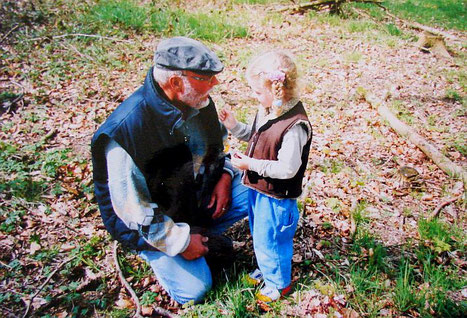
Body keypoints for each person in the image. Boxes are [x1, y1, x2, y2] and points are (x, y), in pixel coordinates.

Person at [91, 36, 248, 304]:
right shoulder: (126, 131)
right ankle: (167, 249)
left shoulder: (199, 102)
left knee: (257, 183)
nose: (215, 83)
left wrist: (225, 175)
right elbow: (134, 212)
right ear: (175, 83)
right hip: (156, 221)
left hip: (192, 201)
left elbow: (217, 148)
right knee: (195, 291)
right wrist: (182, 242)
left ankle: (204, 235)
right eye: (205, 77)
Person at [219, 50, 312, 303]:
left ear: (277, 89)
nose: (254, 96)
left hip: (277, 198)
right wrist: (234, 127)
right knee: (260, 234)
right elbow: (257, 137)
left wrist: (251, 164)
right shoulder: (268, 109)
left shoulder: (295, 126)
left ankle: (279, 283)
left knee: (274, 240)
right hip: (259, 190)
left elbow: (287, 169)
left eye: (258, 91)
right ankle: (266, 270)